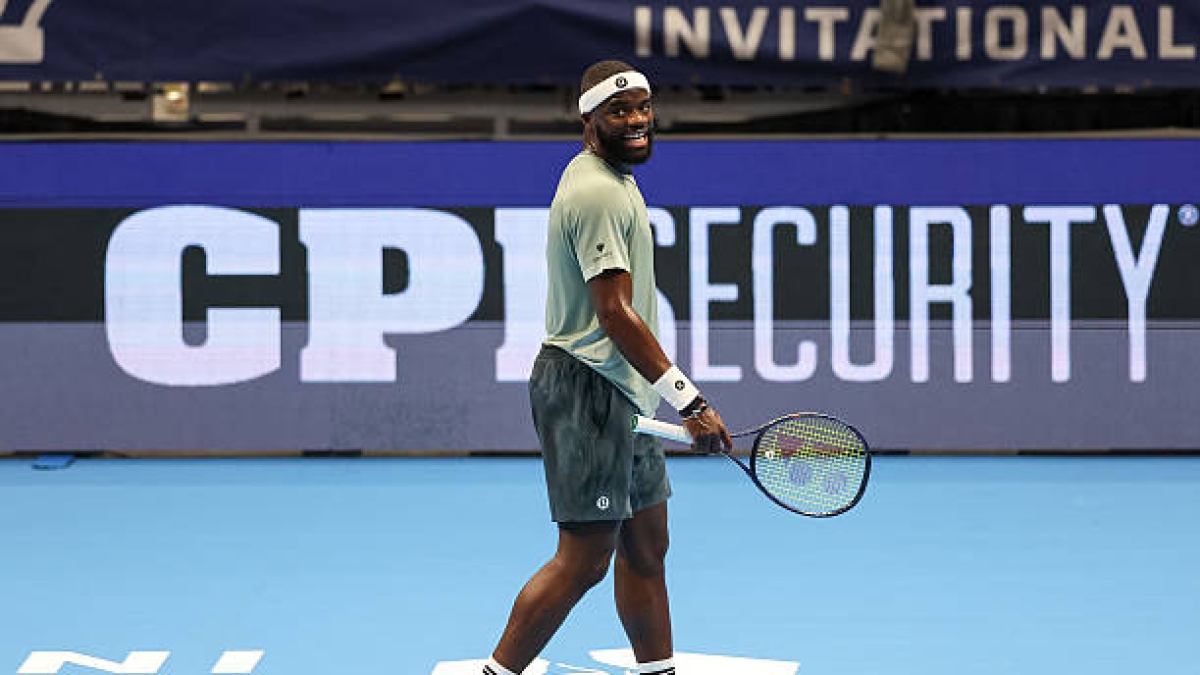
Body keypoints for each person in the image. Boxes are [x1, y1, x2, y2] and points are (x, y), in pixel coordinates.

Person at [481, 59, 733, 675]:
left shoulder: (615, 177)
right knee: (586, 557)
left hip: (623, 391)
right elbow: (615, 313)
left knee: (647, 548)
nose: (637, 120)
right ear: (589, 119)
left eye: (643, 107)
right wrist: (691, 402)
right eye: (619, 111)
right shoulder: (595, 189)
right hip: (587, 387)